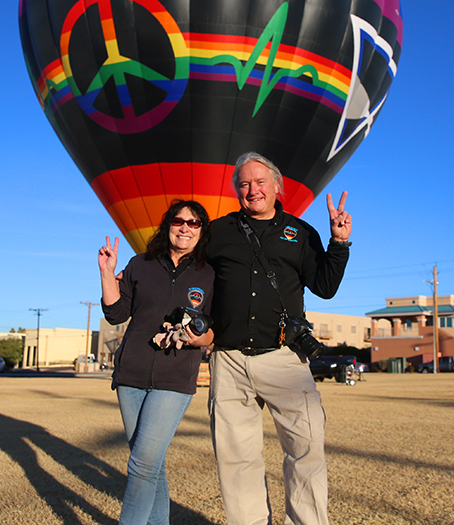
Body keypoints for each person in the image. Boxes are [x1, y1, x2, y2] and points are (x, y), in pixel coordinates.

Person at [206, 152, 351, 525]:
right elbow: (196, 281)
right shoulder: (218, 232)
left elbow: (325, 286)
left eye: (259, 182)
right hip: (230, 359)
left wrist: (338, 244)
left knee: (306, 450)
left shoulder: (301, 233)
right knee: (236, 458)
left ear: (277, 186)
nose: (252, 190)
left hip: (284, 358)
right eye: (244, 184)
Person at [100, 200, 216, 525]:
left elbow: (215, 329)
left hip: (174, 378)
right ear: (167, 225)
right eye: (179, 221)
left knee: (142, 464)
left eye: (194, 223)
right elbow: (115, 314)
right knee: (151, 463)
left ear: (202, 231)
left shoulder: (209, 274)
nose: (185, 228)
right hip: (131, 375)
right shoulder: (140, 264)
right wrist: (107, 274)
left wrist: (199, 338)